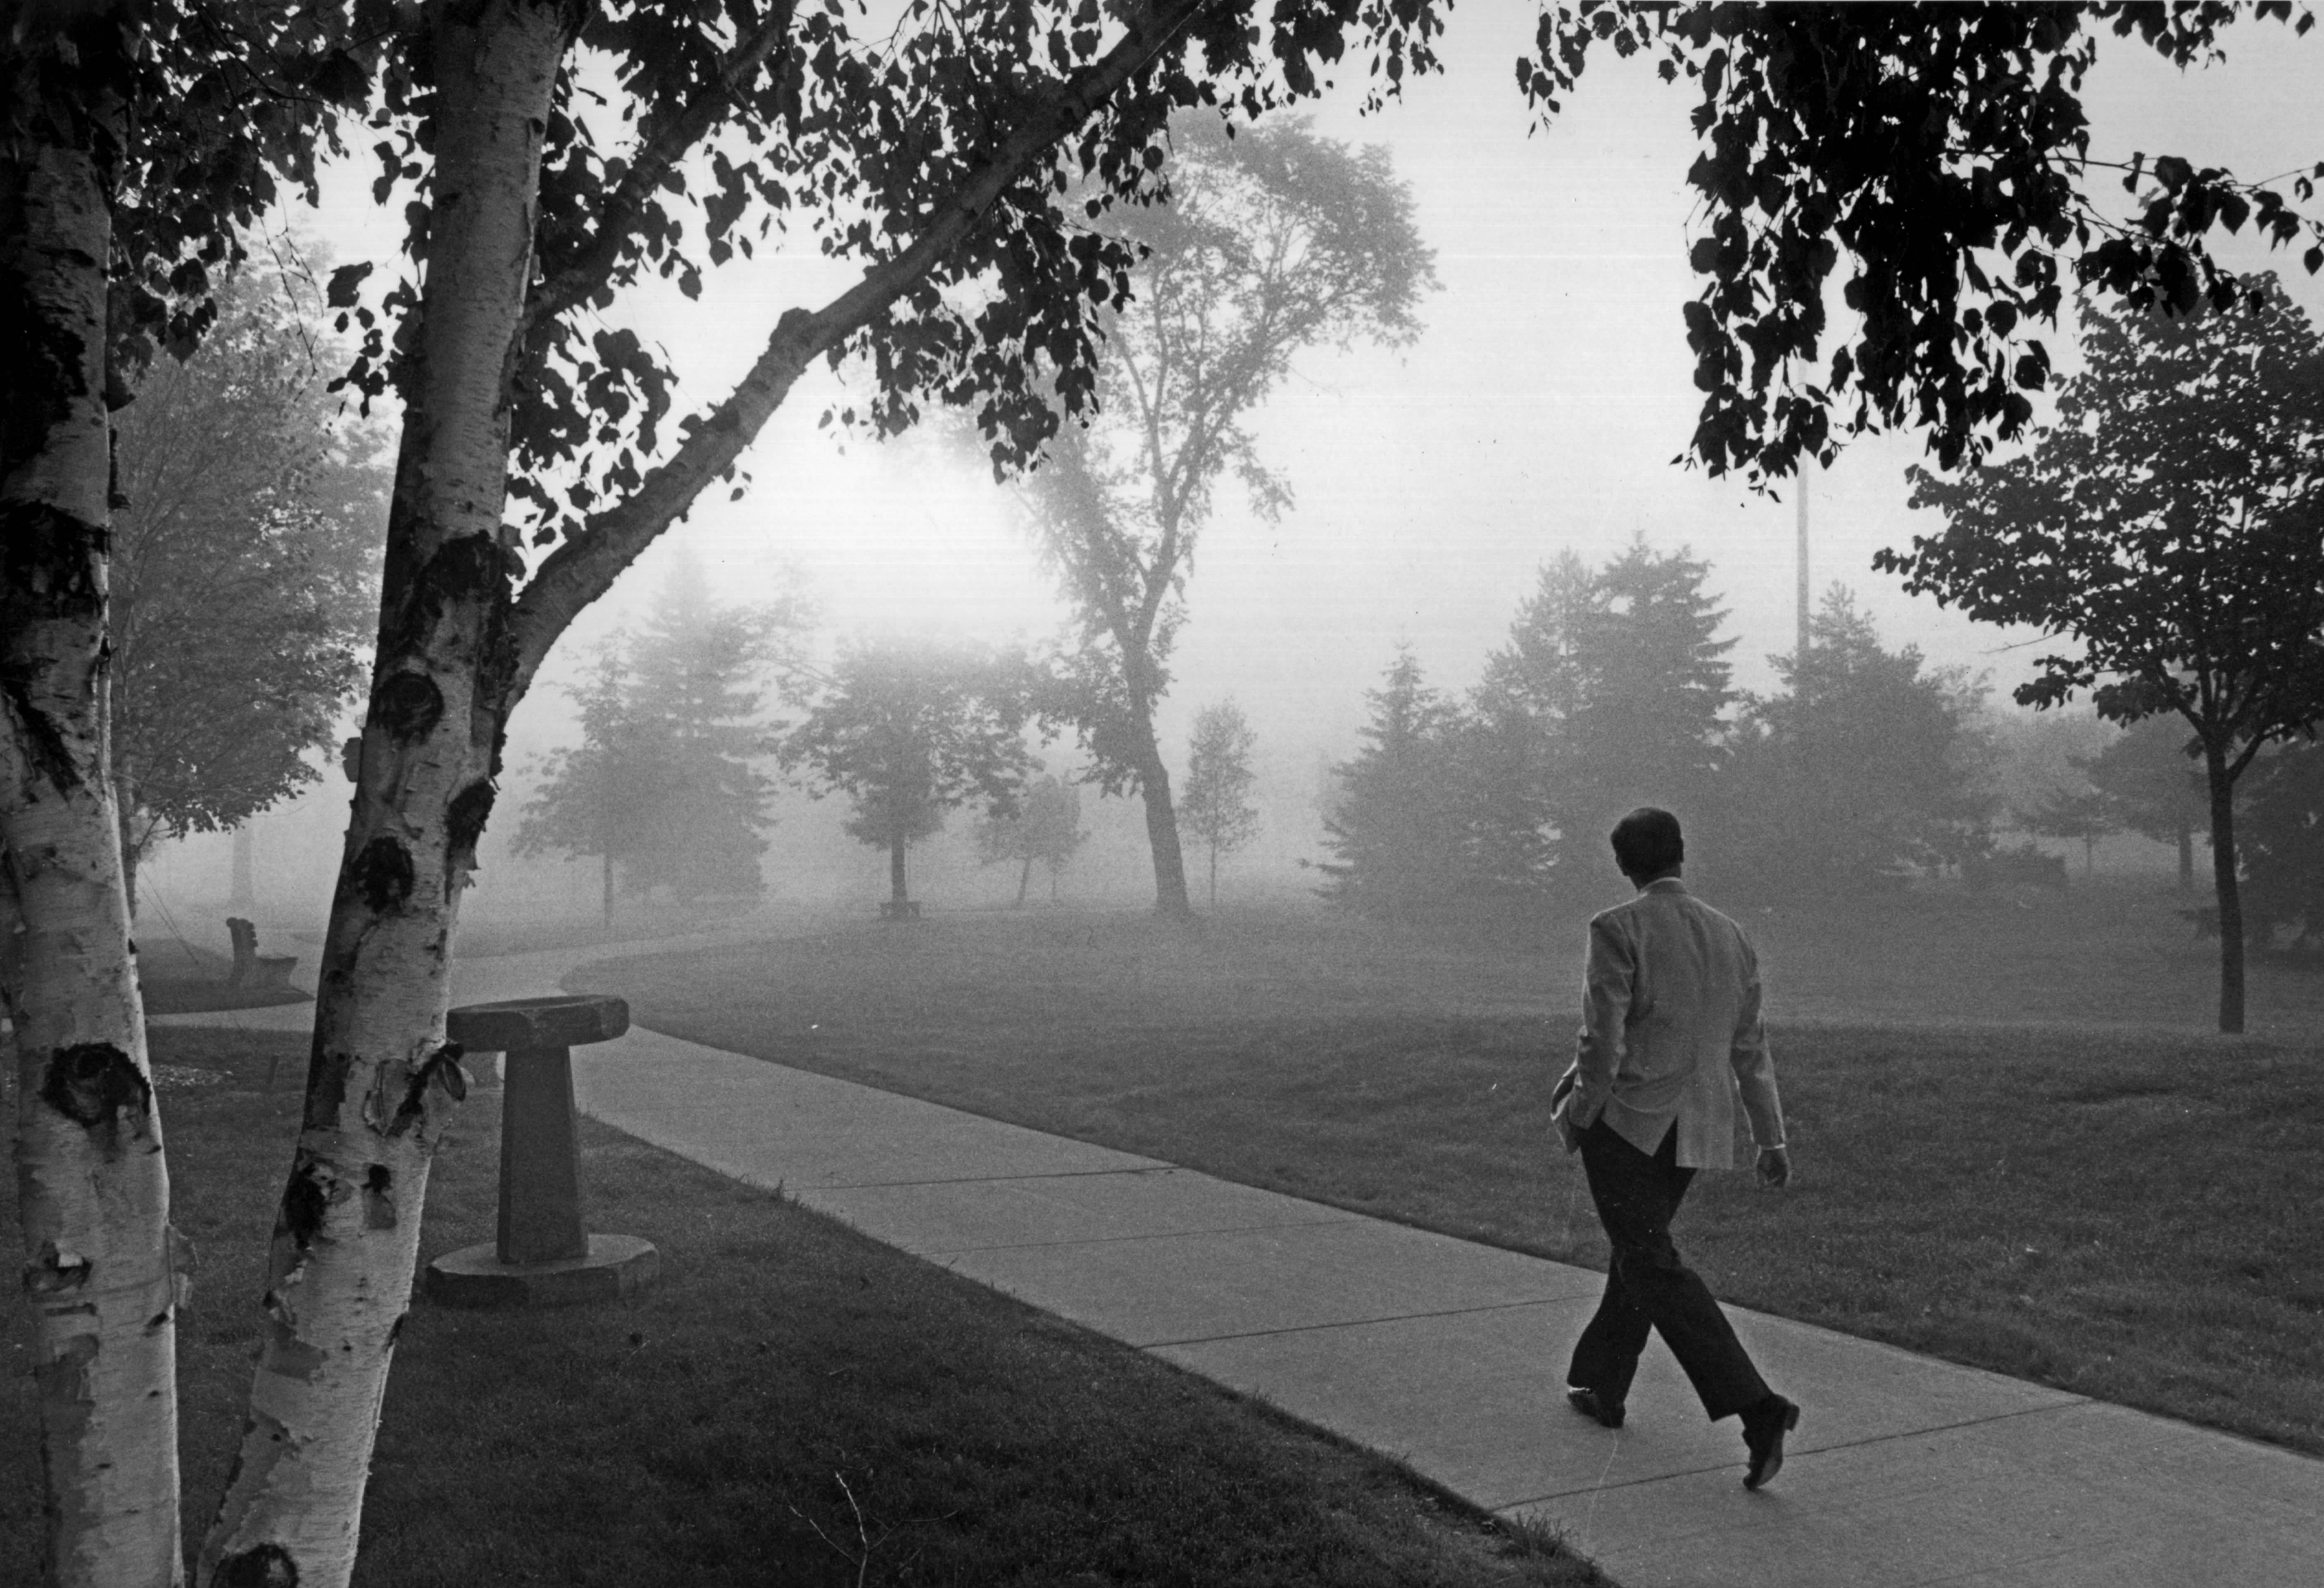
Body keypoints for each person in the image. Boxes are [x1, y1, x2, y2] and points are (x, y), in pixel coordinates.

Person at [1549, 806, 1800, 1490]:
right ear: (1680, 855)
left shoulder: (1616, 927)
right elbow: (1750, 1048)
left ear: (1623, 864)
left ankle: (1758, 1410)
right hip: (1696, 1130)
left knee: (1650, 1259)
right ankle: (1602, 1384)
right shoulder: (1733, 937)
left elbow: (1602, 1039)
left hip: (1627, 1123)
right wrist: (1768, 1135)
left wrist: (1578, 1115)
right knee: (1640, 1249)